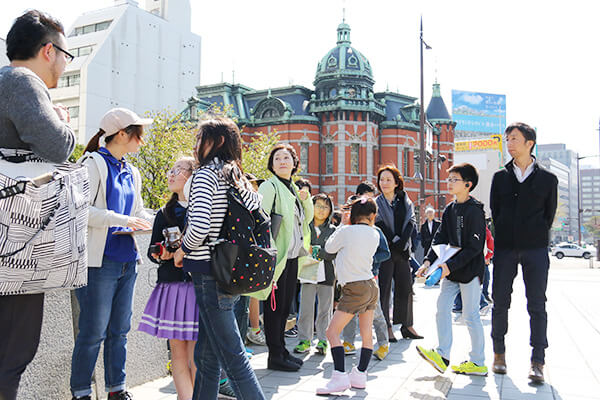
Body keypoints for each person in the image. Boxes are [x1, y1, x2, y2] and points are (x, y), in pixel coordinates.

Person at [0, 10, 76, 400]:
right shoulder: (21, 81)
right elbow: (58, 146)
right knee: (13, 350)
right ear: (49, 50)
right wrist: (61, 121)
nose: (65, 64)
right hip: (16, 244)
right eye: (66, 54)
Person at [172, 117, 266, 399]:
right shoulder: (235, 174)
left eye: (201, 139)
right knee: (207, 356)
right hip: (231, 269)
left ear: (219, 141)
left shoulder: (205, 175)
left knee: (233, 358)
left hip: (208, 271)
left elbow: (199, 226)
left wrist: (182, 249)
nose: (196, 144)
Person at [71, 108, 154, 400]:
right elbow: (81, 210)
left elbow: (138, 213)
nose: (141, 142)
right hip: (98, 263)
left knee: (120, 330)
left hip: (127, 261)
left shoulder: (132, 171)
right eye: (138, 135)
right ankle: (81, 393)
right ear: (122, 134)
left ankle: (116, 390)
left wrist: (161, 221)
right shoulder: (91, 163)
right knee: (93, 332)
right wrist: (123, 220)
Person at [490, 122, 558, 383]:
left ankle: (538, 360)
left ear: (530, 142)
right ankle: (499, 354)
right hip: (506, 248)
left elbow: (548, 215)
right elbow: (496, 213)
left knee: (537, 305)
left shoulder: (548, 179)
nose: (509, 143)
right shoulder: (500, 177)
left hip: (536, 249)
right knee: (500, 302)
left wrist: (534, 234)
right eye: (507, 139)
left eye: (515, 139)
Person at [415, 163, 488, 377]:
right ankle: (442, 356)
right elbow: (440, 238)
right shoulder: (450, 208)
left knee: (471, 315)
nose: (449, 183)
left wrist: (447, 266)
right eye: (449, 179)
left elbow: (475, 249)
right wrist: (428, 262)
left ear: (468, 184)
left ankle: (478, 362)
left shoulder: (475, 211)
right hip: (450, 271)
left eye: (454, 179)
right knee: (442, 308)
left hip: (470, 271)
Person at [250, 144, 314, 371]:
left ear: (295, 163)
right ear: (272, 164)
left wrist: (306, 199)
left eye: (287, 157)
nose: (283, 161)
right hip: (277, 258)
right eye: (277, 158)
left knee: (285, 306)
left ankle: (282, 351)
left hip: (293, 256)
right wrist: (268, 253)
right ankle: (275, 355)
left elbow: (308, 219)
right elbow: (260, 220)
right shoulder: (270, 186)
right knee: (275, 308)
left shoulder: (294, 189)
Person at [138, 157, 198, 400]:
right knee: (177, 352)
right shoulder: (164, 212)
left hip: (197, 286)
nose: (171, 175)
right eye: (170, 170)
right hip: (173, 286)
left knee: (197, 353)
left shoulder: (203, 208)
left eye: (178, 170)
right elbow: (153, 249)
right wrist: (160, 252)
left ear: (193, 175)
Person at [316, 197, 381, 395]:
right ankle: (360, 375)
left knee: (332, 332)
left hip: (353, 287)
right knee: (367, 333)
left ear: (352, 215)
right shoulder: (375, 233)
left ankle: (339, 376)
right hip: (371, 285)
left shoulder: (345, 231)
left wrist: (344, 225)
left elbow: (328, 249)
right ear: (372, 216)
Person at [342, 186, 392, 360]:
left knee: (376, 312)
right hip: (351, 277)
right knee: (348, 310)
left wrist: (371, 259)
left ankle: (383, 343)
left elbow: (385, 253)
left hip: (370, 277)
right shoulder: (348, 232)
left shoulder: (376, 232)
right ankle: (348, 342)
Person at [375, 165, 422, 341]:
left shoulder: (405, 200)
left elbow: (411, 220)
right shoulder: (377, 202)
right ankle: (385, 327)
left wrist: (402, 241)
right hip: (385, 252)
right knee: (384, 290)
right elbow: (379, 224)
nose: (384, 183)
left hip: (403, 252)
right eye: (382, 179)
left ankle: (407, 325)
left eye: (388, 179)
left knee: (406, 288)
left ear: (396, 182)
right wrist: (394, 241)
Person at [294, 193, 337, 356]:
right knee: (306, 306)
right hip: (308, 268)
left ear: (330, 210)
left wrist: (321, 252)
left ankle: (323, 340)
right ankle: (304, 339)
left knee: (325, 309)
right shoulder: (305, 226)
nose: (321, 210)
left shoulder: (333, 230)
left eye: (325, 207)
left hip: (327, 271)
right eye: (318, 206)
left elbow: (334, 252)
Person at [453, 225, 494, 314]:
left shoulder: (482, 230)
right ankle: (459, 304)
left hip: (478, 260)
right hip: (476, 259)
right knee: (467, 282)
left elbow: (488, 244)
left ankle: (482, 302)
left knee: (471, 283)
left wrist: (487, 257)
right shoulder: (480, 229)